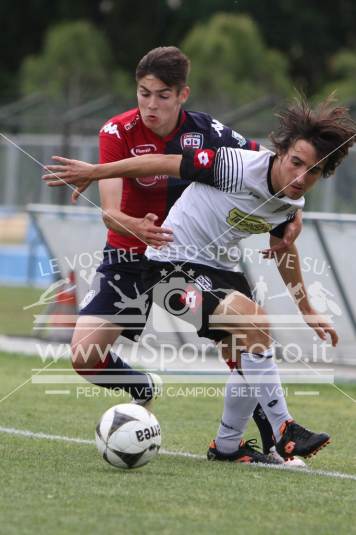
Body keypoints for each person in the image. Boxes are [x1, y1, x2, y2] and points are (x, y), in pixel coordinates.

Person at [43, 94, 356, 463]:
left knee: (246, 354)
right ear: (281, 152)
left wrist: (308, 310)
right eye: (296, 163)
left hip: (220, 271)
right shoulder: (234, 166)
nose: (302, 177)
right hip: (168, 266)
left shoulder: (293, 201)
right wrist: (96, 172)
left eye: (314, 171)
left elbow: (284, 250)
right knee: (255, 323)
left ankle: (227, 446)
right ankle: (285, 428)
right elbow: (160, 162)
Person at [60, 46, 301, 460]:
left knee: (240, 342)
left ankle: (272, 443)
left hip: (187, 261)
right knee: (84, 357)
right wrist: (131, 225)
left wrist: (291, 220)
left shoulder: (208, 131)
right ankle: (143, 387)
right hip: (128, 258)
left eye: (162, 95)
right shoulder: (115, 133)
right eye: (143, 93)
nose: (151, 104)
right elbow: (110, 212)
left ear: (182, 95)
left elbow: (270, 168)